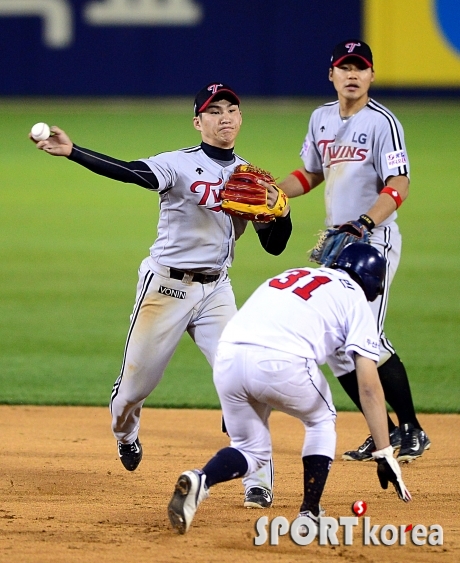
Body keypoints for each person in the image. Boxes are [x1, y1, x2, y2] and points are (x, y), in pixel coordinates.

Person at [30, 82, 292, 471]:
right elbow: (131, 172)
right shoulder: (177, 164)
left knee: (244, 373)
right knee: (133, 390)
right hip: (166, 288)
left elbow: (274, 246)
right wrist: (73, 152)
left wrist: (281, 213)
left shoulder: (249, 177)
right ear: (197, 121)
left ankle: (257, 477)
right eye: (214, 111)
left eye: (231, 110)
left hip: (217, 289)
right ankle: (126, 433)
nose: (225, 118)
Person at [167, 242, 412, 535]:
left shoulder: (297, 274)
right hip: (280, 361)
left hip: (229, 356)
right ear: (373, 282)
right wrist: (383, 451)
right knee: (321, 419)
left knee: (250, 449)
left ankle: (200, 480)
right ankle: (310, 512)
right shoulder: (356, 298)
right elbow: (369, 386)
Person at [276, 39, 430, 465]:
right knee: (338, 346)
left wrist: (365, 222)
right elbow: (309, 174)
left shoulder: (383, 122)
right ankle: (386, 431)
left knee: (366, 339)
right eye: (345, 67)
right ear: (332, 75)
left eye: (360, 68)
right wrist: (274, 192)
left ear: (371, 76)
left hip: (373, 243)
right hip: (335, 244)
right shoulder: (320, 118)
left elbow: (398, 185)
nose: (352, 75)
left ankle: (413, 430)